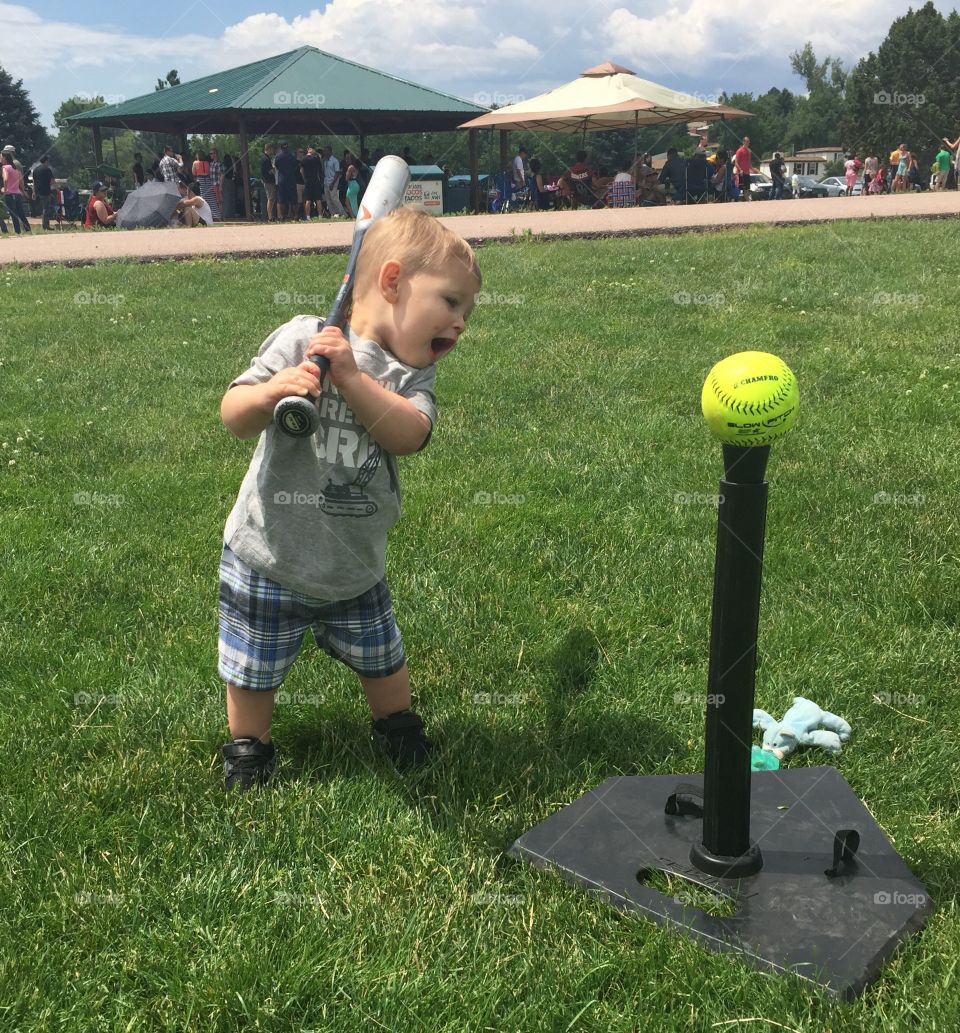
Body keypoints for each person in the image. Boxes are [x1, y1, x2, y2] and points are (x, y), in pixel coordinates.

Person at [217, 208, 481, 790]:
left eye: (466, 310)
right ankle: (249, 748)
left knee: (384, 661)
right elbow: (233, 416)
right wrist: (271, 393)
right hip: (270, 554)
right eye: (451, 302)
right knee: (253, 670)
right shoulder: (301, 338)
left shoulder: (408, 376)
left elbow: (409, 436)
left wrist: (352, 378)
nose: (461, 323)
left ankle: (397, 726)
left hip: (356, 566)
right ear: (392, 282)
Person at [1, 152, 31, 233]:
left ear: (5, 158)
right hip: (17, 193)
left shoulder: (5, 167)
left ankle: (17, 231)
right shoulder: (16, 169)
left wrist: (5, 189)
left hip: (10, 194)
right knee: (21, 213)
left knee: (13, 214)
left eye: (1, 157)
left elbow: (6, 179)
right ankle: (28, 229)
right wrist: (23, 191)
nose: (0, 159)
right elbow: (21, 182)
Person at [273, 141, 298, 221]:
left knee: (282, 199)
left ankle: (283, 217)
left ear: (281, 148)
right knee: (293, 199)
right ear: (288, 147)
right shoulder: (292, 156)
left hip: (281, 180)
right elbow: (295, 166)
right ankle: (296, 216)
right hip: (291, 180)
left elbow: (276, 166)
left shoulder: (278, 157)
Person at [32, 155, 56, 230]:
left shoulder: (35, 170)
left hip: (37, 191)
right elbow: (52, 181)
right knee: (46, 209)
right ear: (46, 161)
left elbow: (34, 182)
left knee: (41, 209)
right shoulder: (47, 169)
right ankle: (45, 226)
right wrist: (56, 188)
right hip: (45, 192)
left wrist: (33, 192)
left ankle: (44, 224)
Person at [322, 145, 347, 217]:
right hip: (326, 182)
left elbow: (337, 172)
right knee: (328, 200)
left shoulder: (335, 160)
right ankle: (333, 214)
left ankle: (343, 214)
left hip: (332, 183)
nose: (324, 153)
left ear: (330, 152)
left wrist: (332, 183)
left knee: (334, 199)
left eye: (326, 151)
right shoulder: (325, 161)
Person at [301, 144, 324, 219]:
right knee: (318, 199)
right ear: (313, 149)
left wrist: (304, 179)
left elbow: (301, 170)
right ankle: (320, 216)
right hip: (316, 180)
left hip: (307, 181)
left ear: (308, 149)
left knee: (308, 199)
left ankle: (308, 216)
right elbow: (320, 170)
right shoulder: (316, 158)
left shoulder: (303, 158)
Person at [260, 143, 277, 221]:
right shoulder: (266, 159)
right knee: (270, 199)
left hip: (266, 181)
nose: (273, 151)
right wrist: (274, 167)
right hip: (269, 181)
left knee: (271, 199)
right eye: (272, 149)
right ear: (269, 149)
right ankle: (270, 217)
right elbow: (270, 171)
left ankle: (271, 216)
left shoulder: (263, 158)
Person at [734, 136, 752, 200]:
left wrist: (752, 169)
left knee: (747, 188)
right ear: (743, 142)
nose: (747, 143)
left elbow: (749, 162)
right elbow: (736, 162)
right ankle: (738, 200)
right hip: (741, 173)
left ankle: (747, 200)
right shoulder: (739, 151)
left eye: (748, 141)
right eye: (746, 141)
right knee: (741, 188)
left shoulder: (749, 151)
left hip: (747, 172)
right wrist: (740, 169)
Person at [208, 148, 224, 220]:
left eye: (211, 153)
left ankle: (221, 216)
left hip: (217, 184)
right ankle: (215, 216)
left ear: (215, 154)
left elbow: (222, 175)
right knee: (214, 201)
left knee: (219, 201)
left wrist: (220, 185)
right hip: (212, 184)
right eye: (210, 153)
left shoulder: (220, 163)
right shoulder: (211, 163)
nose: (210, 155)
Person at [295, 147, 306, 216]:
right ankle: (296, 215)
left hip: (305, 183)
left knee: (305, 201)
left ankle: (305, 215)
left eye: (302, 152)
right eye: (300, 152)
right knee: (299, 202)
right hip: (297, 183)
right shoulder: (294, 161)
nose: (301, 153)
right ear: (297, 153)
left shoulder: (305, 161)